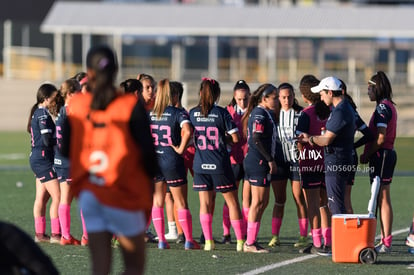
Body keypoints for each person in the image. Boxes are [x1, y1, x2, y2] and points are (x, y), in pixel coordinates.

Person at [61, 45, 158, 274]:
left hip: (91, 193)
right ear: (115, 71)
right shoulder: (129, 105)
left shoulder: (76, 105)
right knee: (134, 267)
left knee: (100, 267)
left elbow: (65, 149)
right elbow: (148, 155)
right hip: (123, 191)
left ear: (89, 72)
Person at [189, 77, 244, 252]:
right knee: (233, 202)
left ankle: (208, 242)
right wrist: (222, 138)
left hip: (200, 164)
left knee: (204, 204)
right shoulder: (222, 113)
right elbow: (235, 138)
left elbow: (190, 136)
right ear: (216, 94)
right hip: (219, 163)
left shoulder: (192, 113)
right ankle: (241, 242)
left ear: (200, 93)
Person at [149, 79, 199, 250]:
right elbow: (188, 130)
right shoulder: (178, 113)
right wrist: (181, 149)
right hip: (172, 160)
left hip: (155, 160)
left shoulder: (150, 114)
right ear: (173, 95)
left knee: (157, 202)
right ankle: (189, 240)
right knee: (181, 202)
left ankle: (162, 240)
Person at [300, 76, 355, 216]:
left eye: (322, 93)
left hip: (337, 162)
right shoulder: (343, 107)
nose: (321, 97)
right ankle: (341, 237)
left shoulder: (340, 111)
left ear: (330, 93)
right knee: (337, 203)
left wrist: (309, 139)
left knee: (335, 206)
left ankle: (341, 238)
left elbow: (326, 140)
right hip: (340, 160)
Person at [360, 71, 397, 254]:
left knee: (382, 197)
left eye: (370, 87)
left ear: (377, 88)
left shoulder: (383, 107)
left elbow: (381, 138)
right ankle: (385, 239)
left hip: (382, 155)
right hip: (383, 155)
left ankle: (387, 242)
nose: (368, 91)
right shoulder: (385, 105)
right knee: (381, 197)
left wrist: (368, 154)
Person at [268, 82, 309, 249]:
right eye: (283, 97)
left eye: (290, 96)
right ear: (278, 98)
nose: (287, 100)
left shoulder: (300, 114)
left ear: (294, 96)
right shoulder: (272, 115)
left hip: (296, 162)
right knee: (279, 200)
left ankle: (303, 235)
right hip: (278, 161)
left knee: (299, 198)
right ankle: (275, 236)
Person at [296, 75, 331, 256]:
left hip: (310, 163)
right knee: (325, 204)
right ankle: (329, 241)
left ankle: (317, 243)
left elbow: (300, 141)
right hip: (329, 163)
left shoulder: (306, 114)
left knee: (312, 204)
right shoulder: (331, 110)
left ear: (304, 96)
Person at [242, 83, 278, 253]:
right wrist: (269, 159)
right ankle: (250, 243)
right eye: (274, 97)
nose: (277, 101)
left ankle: (250, 240)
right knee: (258, 202)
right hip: (258, 162)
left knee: (262, 202)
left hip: (257, 161)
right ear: (265, 98)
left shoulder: (265, 113)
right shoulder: (259, 113)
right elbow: (256, 138)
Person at [27, 83, 61, 244]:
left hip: (38, 158)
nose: (56, 102)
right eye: (54, 99)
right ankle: (56, 234)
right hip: (43, 159)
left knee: (41, 198)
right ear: (46, 99)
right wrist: (62, 139)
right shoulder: (42, 114)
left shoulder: (39, 112)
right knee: (59, 197)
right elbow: (47, 140)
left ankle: (40, 234)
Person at [54, 79, 86, 246]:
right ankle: (87, 237)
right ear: (71, 94)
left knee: (65, 199)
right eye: (79, 91)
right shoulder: (74, 110)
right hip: (72, 161)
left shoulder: (61, 110)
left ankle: (65, 235)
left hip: (60, 160)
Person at [339, 79, 374, 214]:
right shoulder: (351, 111)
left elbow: (370, 135)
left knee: (335, 199)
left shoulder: (339, 111)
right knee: (344, 198)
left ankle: (333, 232)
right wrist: (353, 146)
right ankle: (347, 233)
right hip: (351, 157)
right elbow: (369, 134)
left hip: (338, 158)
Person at [222, 80, 250, 244]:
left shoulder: (254, 112)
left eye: (245, 99)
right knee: (231, 199)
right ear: (234, 97)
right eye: (239, 99)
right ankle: (227, 233)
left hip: (248, 160)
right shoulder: (228, 112)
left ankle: (245, 233)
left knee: (246, 199)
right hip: (232, 160)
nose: (243, 102)